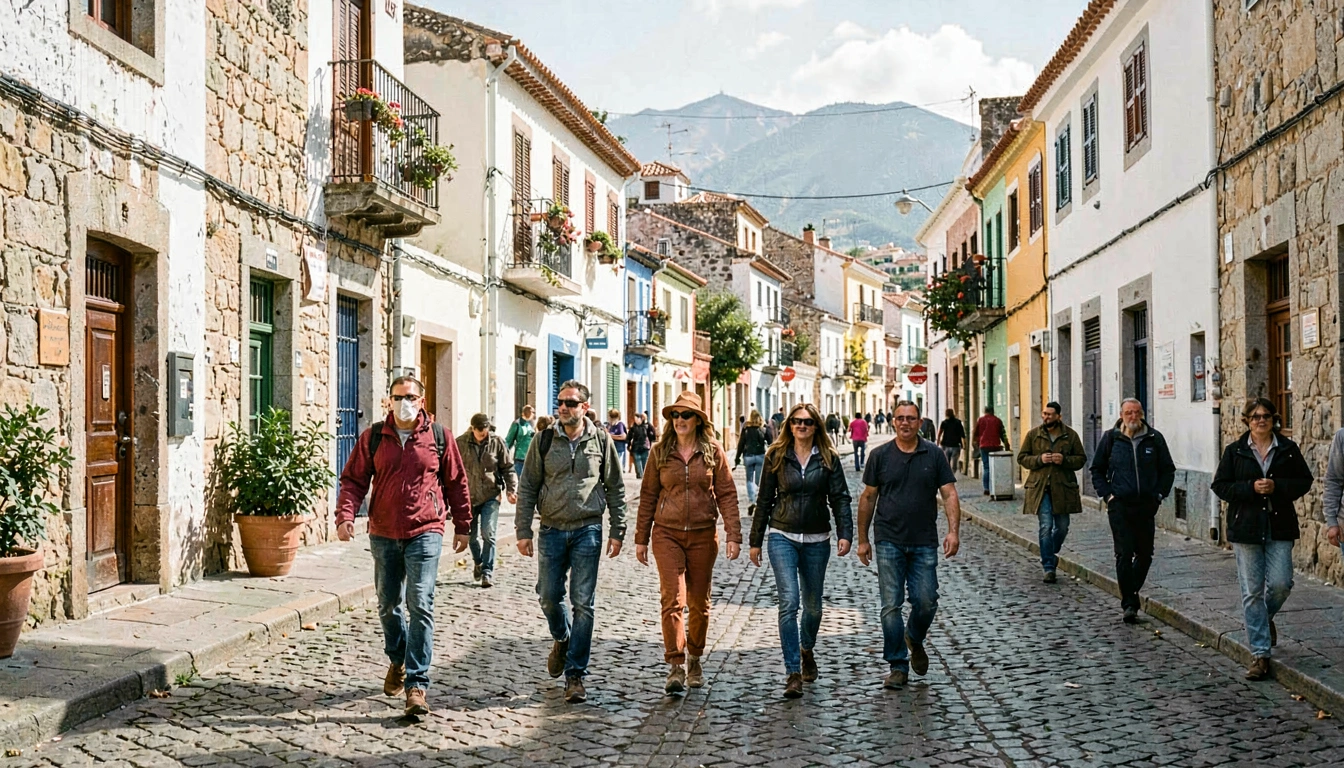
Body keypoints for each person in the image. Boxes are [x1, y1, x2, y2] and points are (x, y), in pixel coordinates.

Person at [335, 376, 471, 717]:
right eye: (398, 397)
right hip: (383, 531)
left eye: (410, 396)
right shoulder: (373, 437)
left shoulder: (439, 437)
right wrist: (345, 515)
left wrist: (464, 525)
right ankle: (397, 658)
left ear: (421, 400)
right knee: (387, 604)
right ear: (388, 401)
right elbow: (353, 479)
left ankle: (417, 685)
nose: (404, 402)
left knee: (421, 603)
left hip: (426, 529)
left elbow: (456, 481)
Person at [515, 380, 627, 704]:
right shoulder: (544, 439)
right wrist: (523, 530)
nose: (564, 407)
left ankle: (575, 675)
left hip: (587, 529)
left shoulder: (601, 440)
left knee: (584, 603)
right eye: (561, 402)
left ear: (585, 407)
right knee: (548, 596)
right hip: (550, 529)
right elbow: (528, 487)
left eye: (571, 403)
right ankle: (561, 637)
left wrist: (618, 530)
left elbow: (616, 487)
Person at [635, 392, 741, 695]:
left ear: (698, 420)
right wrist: (641, 538)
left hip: (703, 535)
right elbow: (647, 497)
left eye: (686, 415)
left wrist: (733, 534)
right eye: (675, 415)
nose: (680, 420)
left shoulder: (712, 451)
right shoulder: (659, 452)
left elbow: (727, 494)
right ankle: (676, 665)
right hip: (666, 533)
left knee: (699, 604)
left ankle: (695, 657)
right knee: (673, 599)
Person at [749, 403, 852, 698]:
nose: (801, 426)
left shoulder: (829, 458)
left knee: (813, 607)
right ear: (789, 425)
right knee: (789, 602)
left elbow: (841, 498)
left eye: (807, 422)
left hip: (818, 539)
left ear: (816, 426)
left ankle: (807, 647)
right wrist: (755, 541)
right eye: (796, 422)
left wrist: (845, 533)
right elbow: (764, 499)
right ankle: (792, 671)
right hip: (782, 535)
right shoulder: (776, 456)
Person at [856, 401, 960, 689]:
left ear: (920, 422)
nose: (905, 423)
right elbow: (867, 498)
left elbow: (949, 494)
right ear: (893, 421)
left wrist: (953, 532)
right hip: (889, 539)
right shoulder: (880, 456)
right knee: (891, 605)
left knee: (926, 600)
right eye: (900, 418)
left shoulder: (934, 454)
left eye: (911, 418)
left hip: (924, 540)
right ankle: (898, 665)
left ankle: (914, 636)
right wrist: (863, 539)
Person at [1211, 398, 1313, 681]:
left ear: (1273, 419)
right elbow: (1220, 485)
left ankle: (1264, 619)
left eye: (1266, 416)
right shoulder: (1235, 451)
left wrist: (1277, 486)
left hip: (1279, 526)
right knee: (1251, 591)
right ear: (1247, 421)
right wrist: (1249, 488)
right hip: (1246, 528)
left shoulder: (1288, 449)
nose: (1261, 420)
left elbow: (1305, 481)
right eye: (1255, 417)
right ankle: (1260, 654)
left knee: (1282, 583)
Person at [1089, 398, 1175, 624]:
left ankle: (1130, 591)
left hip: (1146, 505)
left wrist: (1158, 495)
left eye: (1137, 412)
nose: (1133, 417)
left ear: (1142, 414)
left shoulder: (1154, 439)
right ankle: (1129, 604)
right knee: (1124, 553)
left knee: (1145, 554)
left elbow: (1168, 470)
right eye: (1129, 412)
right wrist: (1108, 495)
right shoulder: (1111, 438)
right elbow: (1097, 469)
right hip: (1120, 505)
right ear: (1121, 414)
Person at [1017, 402, 1087, 583]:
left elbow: (1081, 459)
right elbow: (1022, 457)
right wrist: (1039, 459)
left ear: (1059, 416)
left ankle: (1048, 551)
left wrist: (1064, 460)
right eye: (1044, 414)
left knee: (1062, 527)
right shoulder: (1034, 435)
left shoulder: (1070, 435)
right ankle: (1049, 567)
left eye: (1050, 414)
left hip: (1062, 488)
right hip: (1040, 488)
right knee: (1045, 526)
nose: (1046, 417)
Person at [457, 413, 517, 589]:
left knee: (488, 533)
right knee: (471, 537)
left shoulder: (496, 442)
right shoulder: (460, 443)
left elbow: (508, 467)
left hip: (491, 494)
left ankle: (487, 572)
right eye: (481, 431)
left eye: (487, 430)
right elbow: (452, 469)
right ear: (473, 429)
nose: (484, 433)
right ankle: (478, 562)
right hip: (469, 496)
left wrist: (512, 489)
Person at [972, 406, 1009, 496]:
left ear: (984, 411)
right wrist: (1007, 444)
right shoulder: (998, 420)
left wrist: (975, 444)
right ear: (993, 411)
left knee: (986, 467)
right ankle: (996, 486)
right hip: (996, 446)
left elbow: (975, 433)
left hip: (984, 446)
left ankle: (986, 488)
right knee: (996, 467)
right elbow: (1002, 433)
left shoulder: (980, 420)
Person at [735, 410, 770, 505]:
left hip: (748, 456)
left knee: (749, 479)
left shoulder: (746, 428)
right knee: (759, 480)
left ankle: (752, 499)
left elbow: (741, 444)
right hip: (760, 456)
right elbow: (770, 442)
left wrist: (737, 458)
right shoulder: (763, 428)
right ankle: (758, 498)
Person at [504, 406, 536, 479]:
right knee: (521, 480)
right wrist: (504, 455)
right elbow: (509, 440)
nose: (533, 414)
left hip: (530, 458)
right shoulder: (517, 424)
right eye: (531, 412)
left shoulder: (531, 424)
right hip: (520, 458)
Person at [936, 409, 965, 473]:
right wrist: (964, 444)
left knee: (946, 463)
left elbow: (939, 434)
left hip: (946, 445)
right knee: (954, 464)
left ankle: (947, 476)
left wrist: (937, 443)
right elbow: (962, 434)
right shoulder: (958, 422)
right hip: (955, 445)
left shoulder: (944, 423)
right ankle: (952, 475)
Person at [627, 412, 655, 479]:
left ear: (641, 419)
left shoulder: (647, 426)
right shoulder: (633, 427)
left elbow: (652, 436)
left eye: (637, 419)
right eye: (635, 419)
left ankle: (645, 475)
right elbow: (629, 437)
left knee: (644, 461)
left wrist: (650, 443)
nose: (636, 420)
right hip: (636, 447)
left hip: (645, 446)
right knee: (637, 460)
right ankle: (640, 475)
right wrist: (628, 444)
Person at [605, 409, 628, 473]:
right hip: (611, 447)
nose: (608, 418)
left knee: (618, 464)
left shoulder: (619, 425)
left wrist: (610, 436)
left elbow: (623, 436)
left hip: (619, 448)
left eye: (609, 416)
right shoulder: (609, 425)